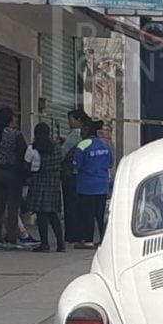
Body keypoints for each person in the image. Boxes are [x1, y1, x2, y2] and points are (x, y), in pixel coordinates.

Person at [0, 108, 28, 250]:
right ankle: (11, 238)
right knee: (12, 208)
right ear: (10, 119)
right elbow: (23, 155)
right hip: (12, 174)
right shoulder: (16, 135)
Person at [72, 119, 113, 249]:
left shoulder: (82, 145)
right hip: (102, 185)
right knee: (100, 215)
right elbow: (110, 163)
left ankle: (88, 240)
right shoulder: (105, 144)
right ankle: (103, 240)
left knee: (87, 214)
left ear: (86, 131)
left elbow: (76, 165)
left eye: (82, 130)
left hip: (86, 186)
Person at [25, 123, 64, 252]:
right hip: (53, 183)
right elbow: (61, 162)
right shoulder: (57, 147)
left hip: (38, 181)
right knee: (53, 214)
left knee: (41, 213)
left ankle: (45, 243)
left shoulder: (33, 148)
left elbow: (26, 164)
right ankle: (60, 244)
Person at [61, 108, 88, 245]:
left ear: (78, 120)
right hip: (84, 175)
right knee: (81, 206)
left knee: (70, 206)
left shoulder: (74, 134)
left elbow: (63, 152)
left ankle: (71, 234)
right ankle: (81, 234)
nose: (69, 123)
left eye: (70, 120)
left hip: (71, 174)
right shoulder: (88, 134)